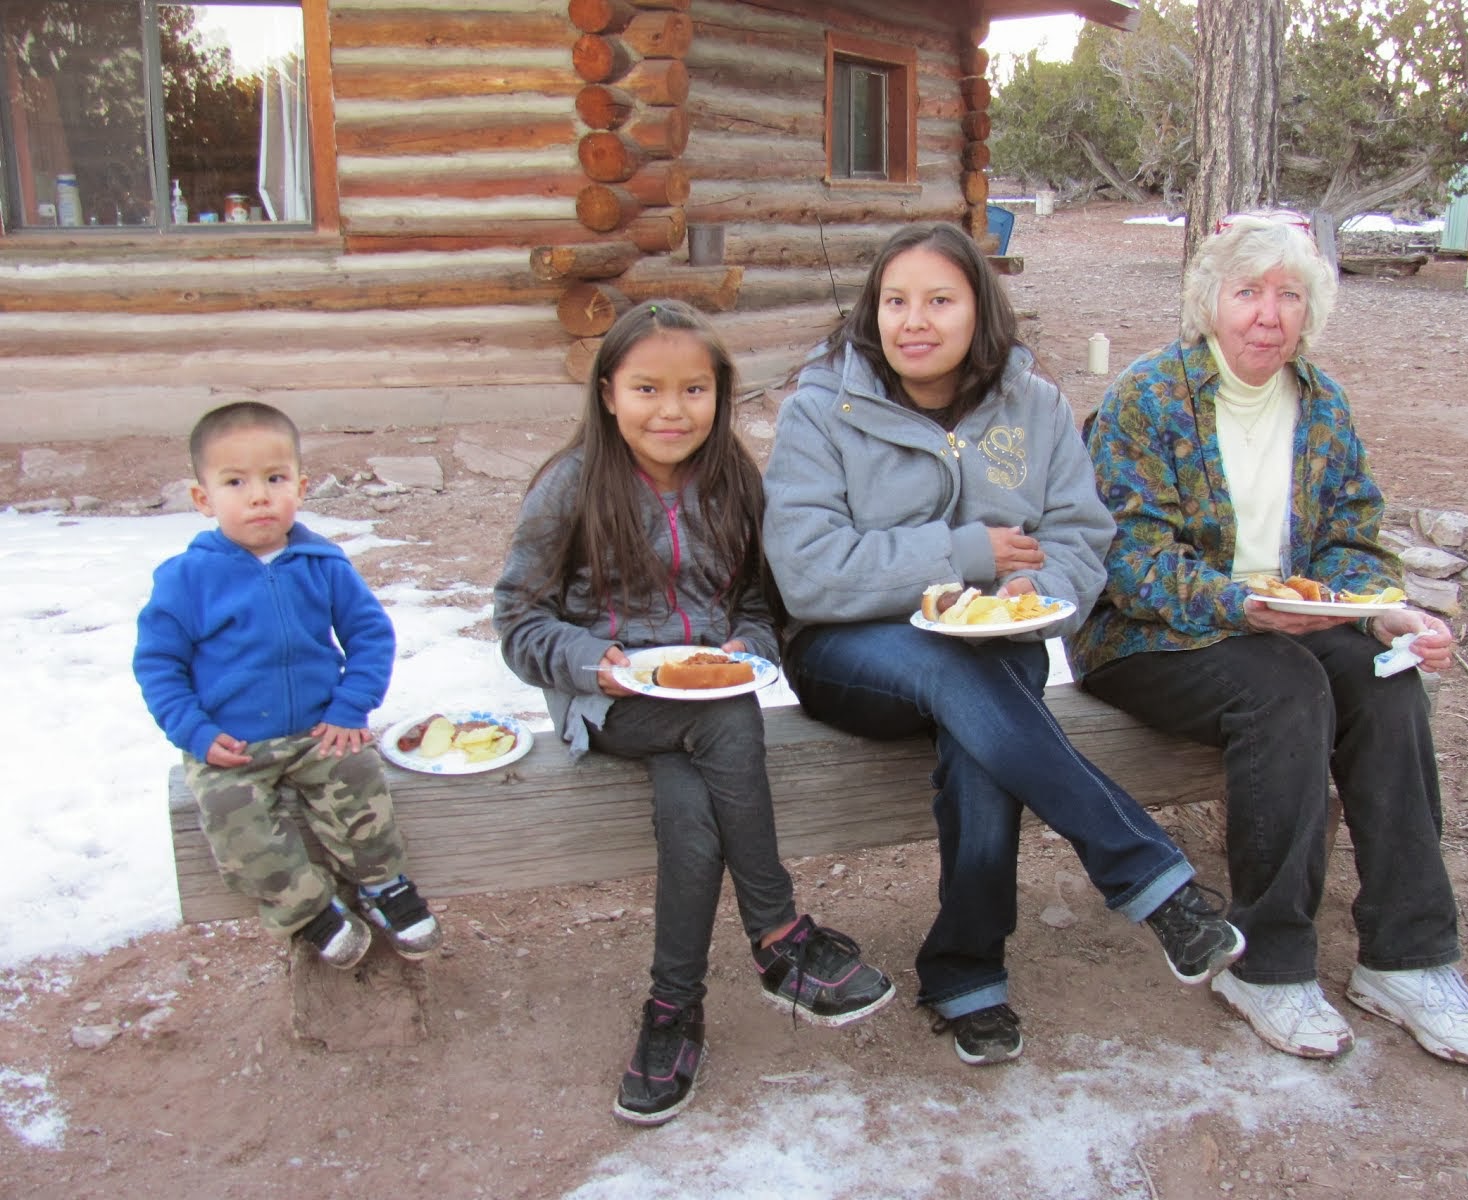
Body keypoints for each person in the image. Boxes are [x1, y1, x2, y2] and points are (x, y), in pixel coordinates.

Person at [760, 222, 1244, 1068]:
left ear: (979, 309)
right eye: (896, 301)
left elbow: (1077, 538)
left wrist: (1036, 592)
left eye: (940, 300)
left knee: (983, 724)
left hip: (998, 639)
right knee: (964, 679)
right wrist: (966, 555)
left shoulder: (1034, 405)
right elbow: (808, 573)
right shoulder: (821, 408)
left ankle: (966, 968)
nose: (915, 321)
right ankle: (1147, 880)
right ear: (872, 312)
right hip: (849, 653)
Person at [1073, 211, 1468, 1066]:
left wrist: (1380, 610)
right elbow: (1127, 558)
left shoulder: (1321, 401)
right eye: (1247, 293)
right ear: (1209, 304)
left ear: (1311, 311)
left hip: (1286, 623)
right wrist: (1240, 604)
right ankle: (1265, 963)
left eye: (1288, 296)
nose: (1268, 315)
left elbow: (1353, 533)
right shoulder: (1148, 399)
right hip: (1147, 639)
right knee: (1285, 685)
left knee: (1384, 678)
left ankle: (1408, 955)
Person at [493, 299, 893, 1126]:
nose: (671, 411)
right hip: (608, 704)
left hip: (700, 710)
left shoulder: (734, 484)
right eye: (646, 389)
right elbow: (516, 618)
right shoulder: (571, 486)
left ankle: (672, 1011)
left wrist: (749, 651)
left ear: (720, 394)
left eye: (693, 391)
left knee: (689, 802)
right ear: (608, 393)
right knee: (725, 721)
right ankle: (781, 935)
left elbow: (757, 601)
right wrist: (581, 662)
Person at [134, 401, 442, 971]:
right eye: (235, 482)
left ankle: (383, 885)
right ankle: (307, 909)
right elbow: (158, 666)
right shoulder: (186, 579)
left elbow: (370, 635)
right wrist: (196, 733)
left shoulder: (321, 564)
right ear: (203, 498)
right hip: (233, 747)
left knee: (359, 781)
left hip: (318, 730)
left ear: (299, 486)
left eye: (274, 479)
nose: (258, 496)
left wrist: (352, 706)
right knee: (235, 824)